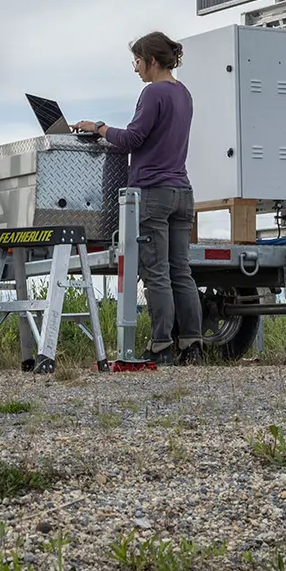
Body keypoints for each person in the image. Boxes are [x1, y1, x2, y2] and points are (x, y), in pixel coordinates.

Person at [75, 31, 202, 365]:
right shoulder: (183, 94)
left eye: (137, 61)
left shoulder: (153, 92)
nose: (136, 69)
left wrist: (98, 127)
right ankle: (192, 344)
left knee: (156, 272)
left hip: (153, 193)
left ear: (152, 60)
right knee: (181, 271)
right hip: (182, 192)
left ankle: (161, 346)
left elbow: (132, 138)